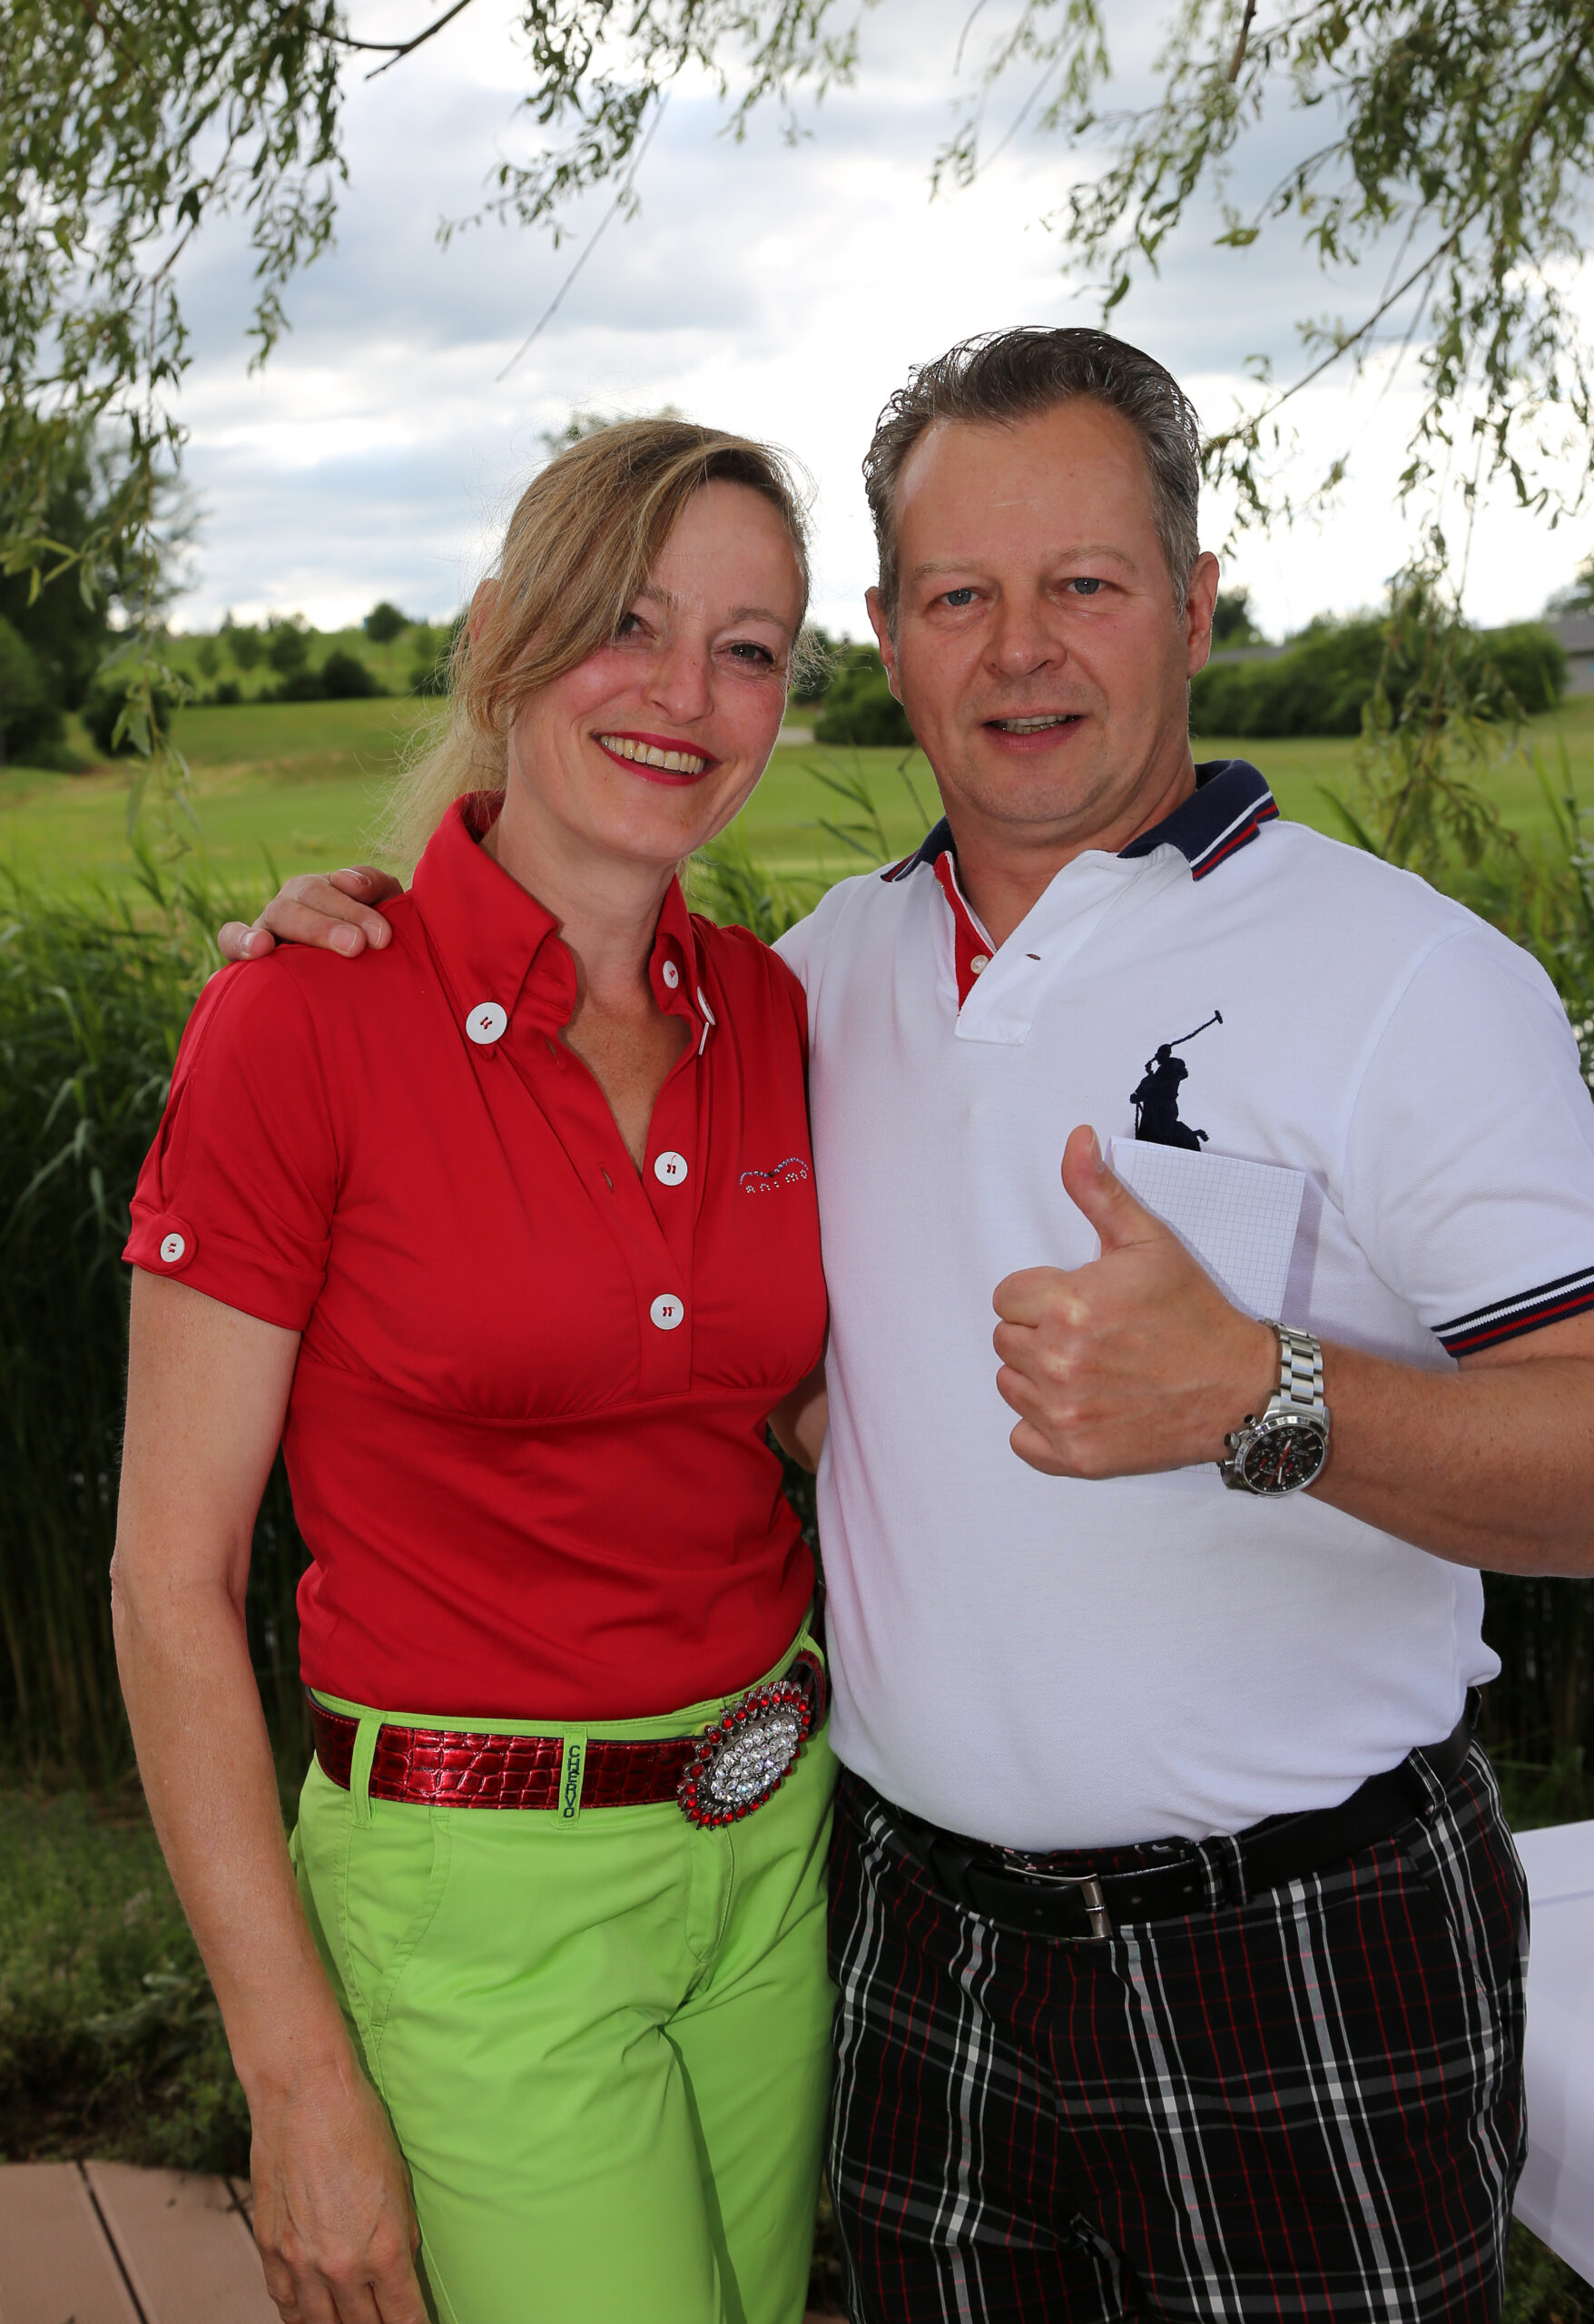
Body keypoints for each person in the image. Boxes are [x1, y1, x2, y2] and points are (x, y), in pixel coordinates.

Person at [226, 329, 1594, 2324]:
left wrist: (1261, 1391)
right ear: (885, 636)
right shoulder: (801, 986)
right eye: (959, 595)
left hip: (1292, 1944)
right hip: (900, 1944)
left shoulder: (1406, 976)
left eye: (1085, 584)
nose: (1019, 649)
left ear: (1194, 605)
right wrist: (347, 950)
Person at [113, 419, 837, 2324]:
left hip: (774, 1846)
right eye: (628, 623)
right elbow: (167, 1583)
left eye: (748, 649)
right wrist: (296, 2079)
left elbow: (781, 1397)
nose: (684, 695)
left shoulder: (767, 1009)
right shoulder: (299, 1020)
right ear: (503, 635)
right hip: (477, 1898)